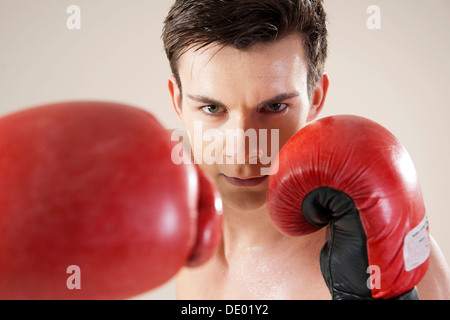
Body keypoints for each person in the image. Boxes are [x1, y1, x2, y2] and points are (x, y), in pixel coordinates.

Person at [162, 0, 450, 299]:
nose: (243, 149)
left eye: (274, 107)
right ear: (177, 101)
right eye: (212, 108)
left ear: (316, 97)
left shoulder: (392, 254)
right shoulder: (180, 238)